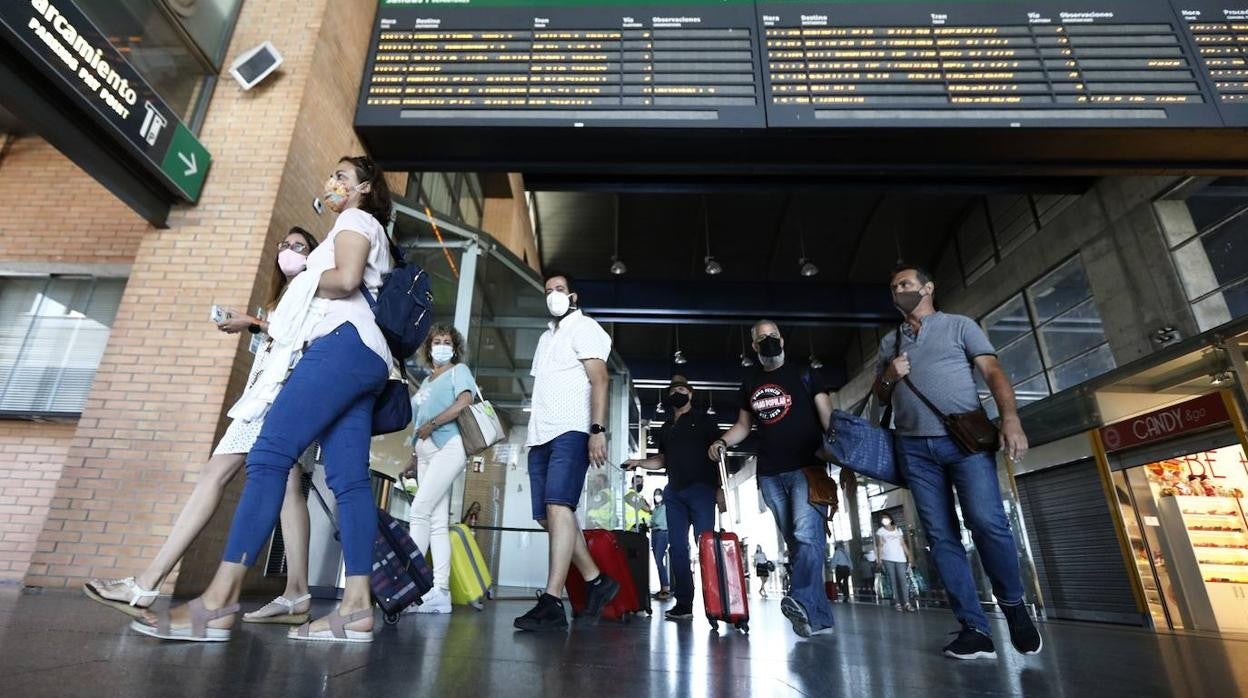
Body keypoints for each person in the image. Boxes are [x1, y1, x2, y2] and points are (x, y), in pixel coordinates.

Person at [131, 156, 396, 643]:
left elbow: (348, 278)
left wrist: (302, 282)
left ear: (364, 188)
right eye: (332, 173)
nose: (332, 181)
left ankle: (217, 602)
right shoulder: (368, 227)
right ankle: (357, 609)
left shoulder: (356, 220)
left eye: (341, 175)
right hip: (365, 356)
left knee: (270, 455)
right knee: (350, 481)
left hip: (340, 346)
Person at [83, 227, 320, 625]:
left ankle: (146, 583)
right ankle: (296, 593)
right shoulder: (283, 296)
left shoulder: (316, 287)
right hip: (264, 397)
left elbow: (305, 340)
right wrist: (258, 325)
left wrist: (254, 324)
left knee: (228, 476)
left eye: (300, 247)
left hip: (283, 398)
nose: (290, 252)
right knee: (288, 488)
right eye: (286, 245)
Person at [874, 263, 1042, 660]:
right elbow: (880, 395)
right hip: (914, 450)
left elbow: (993, 371)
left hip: (964, 443)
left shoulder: (959, 325)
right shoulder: (890, 342)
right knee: (941, 538)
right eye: (894, 285)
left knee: (986, 521)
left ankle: (1014, 607)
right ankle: (973, 628)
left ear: (928, 287)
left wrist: (1011, 418)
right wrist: (891, 376)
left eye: (906, 283)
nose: (899, 289)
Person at [710, 319, 836, 639]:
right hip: (769, 474)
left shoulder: (806, 374)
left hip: (807, 469)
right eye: (761, 338)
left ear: (782, 339)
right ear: (753, 346)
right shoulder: (750, 381)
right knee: (797, 545)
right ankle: (818, 618)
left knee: (808, 537)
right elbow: (743, 426)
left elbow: (830, 422)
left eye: (772, 336)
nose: (767, 341)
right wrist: (723, 441)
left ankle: (799, 598)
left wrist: (840, 458)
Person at [514, 271, 618, 631]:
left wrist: (598, 431)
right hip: (539, 436)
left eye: (559, 290)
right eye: (548, 291)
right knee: (549, 517)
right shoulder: (546, 338)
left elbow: (600, 379)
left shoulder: (585, 327)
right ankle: (596, 580)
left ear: (572, 296)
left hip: (571, 431)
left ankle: (552, 601)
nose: (553, 295)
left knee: (560, 507)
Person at [624, 377, 722, 619]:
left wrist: (719, 491)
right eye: (673, 391)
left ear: (690, 393)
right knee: (677, 548)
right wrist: (638, 462)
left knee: (706, 545)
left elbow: (718, 452)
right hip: (675, 493)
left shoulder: (704, 420)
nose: (677, 393)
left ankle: (717, 604)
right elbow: (662, 460)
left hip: (702, 490)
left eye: (681, 389)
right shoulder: (666, 428)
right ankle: (684, 604)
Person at [403, 324, 479, 615]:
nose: (442, 346)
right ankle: (440, 592)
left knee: (419, 511)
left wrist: (433, 425)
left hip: (449, 447)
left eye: (447, 342)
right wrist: (412, 456)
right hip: (424, 454)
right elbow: (418, 423)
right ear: (429, 348)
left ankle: (408, 585)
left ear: (454, 347)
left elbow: (463, 403)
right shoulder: (425, 382)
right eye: (437, 341)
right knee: (435, 523)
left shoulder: (459, 371)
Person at [875, 516, 915, 613]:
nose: (885, 520)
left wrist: (909, 555)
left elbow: (903, 544)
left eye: (886, 518)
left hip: (900, 558)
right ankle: (897, 603)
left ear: (891, 519)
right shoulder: (880, 531)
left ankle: (907, 603)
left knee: (903, 580)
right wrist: (879, 560)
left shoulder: (898, 530)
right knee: (893, 581)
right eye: (883, 519)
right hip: (887, 558)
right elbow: (880, 545)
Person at [648, 488, 671, 601]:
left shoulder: (664, 507)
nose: (657, 496)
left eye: (659, 494)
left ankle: (666, 588)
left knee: (658, 560)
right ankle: (663, 588)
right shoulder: (656, 509)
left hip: (662, 534)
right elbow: (652, 522)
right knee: (658, 562)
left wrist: (651, 522)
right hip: (655, 534)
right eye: (655, 494)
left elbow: (656, 521)